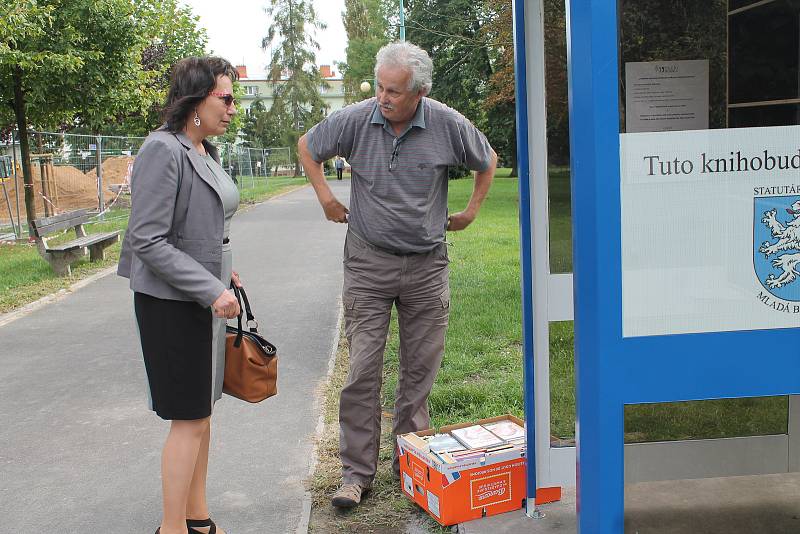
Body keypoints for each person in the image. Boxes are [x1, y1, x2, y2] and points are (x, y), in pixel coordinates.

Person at [298, 41, 497, 508]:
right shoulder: (355, 119)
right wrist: (326, 197)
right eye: (381, 87)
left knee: (418, 374)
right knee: (363, 370)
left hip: (427, 267)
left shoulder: (448, 124)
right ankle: (355, 474)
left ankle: (412, 467)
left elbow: (487, 161)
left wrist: (470, 211)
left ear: (420, 93)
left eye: (394, 91)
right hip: (367, 264)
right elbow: (308, 147)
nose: (383, 98)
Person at [118, 56, 242, 534]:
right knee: (188, 418)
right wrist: (210, 286)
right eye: (225, 98)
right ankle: (171, 529)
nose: (232, 109)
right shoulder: (162, 150)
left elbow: (201, 230)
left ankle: (197, 517)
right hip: (171, 304)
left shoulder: (202, 150)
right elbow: (148, 240)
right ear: (195, 102)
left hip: (204, 298)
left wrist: (225, 274)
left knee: (201, 413)